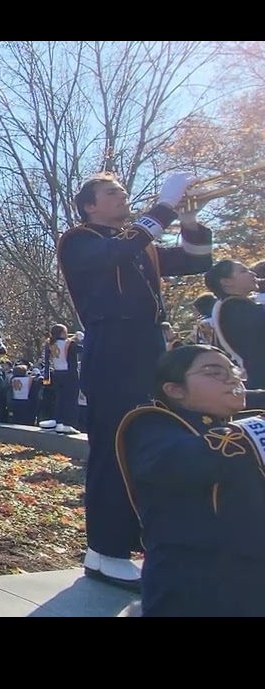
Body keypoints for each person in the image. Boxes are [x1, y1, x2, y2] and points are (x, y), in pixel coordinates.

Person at [57, 170, 213, 588]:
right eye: (112, 192)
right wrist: (163, 207)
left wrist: (190, 221)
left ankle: (122, 545)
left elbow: (197, 261)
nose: (123, 196)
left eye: (124, 191)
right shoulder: (79, 239)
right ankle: (106, 548)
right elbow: (113, 253)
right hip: (112, 343)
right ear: (90, 205)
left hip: (148, 344)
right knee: (114, 445)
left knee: (148, 443)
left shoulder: (138, 244)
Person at [116, 345, 265, 616]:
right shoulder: (150, 424)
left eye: (232, 370)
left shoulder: (224, 420)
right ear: (175, 390)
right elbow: (186, 462)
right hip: (192, 589)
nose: (232, 379)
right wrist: (255, 431)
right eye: (214, 372)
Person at [206, 260, 264, 388]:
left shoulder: (231, 306)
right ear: (226, 282)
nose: (253, 273)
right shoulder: (234, 309)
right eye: (243, 271)